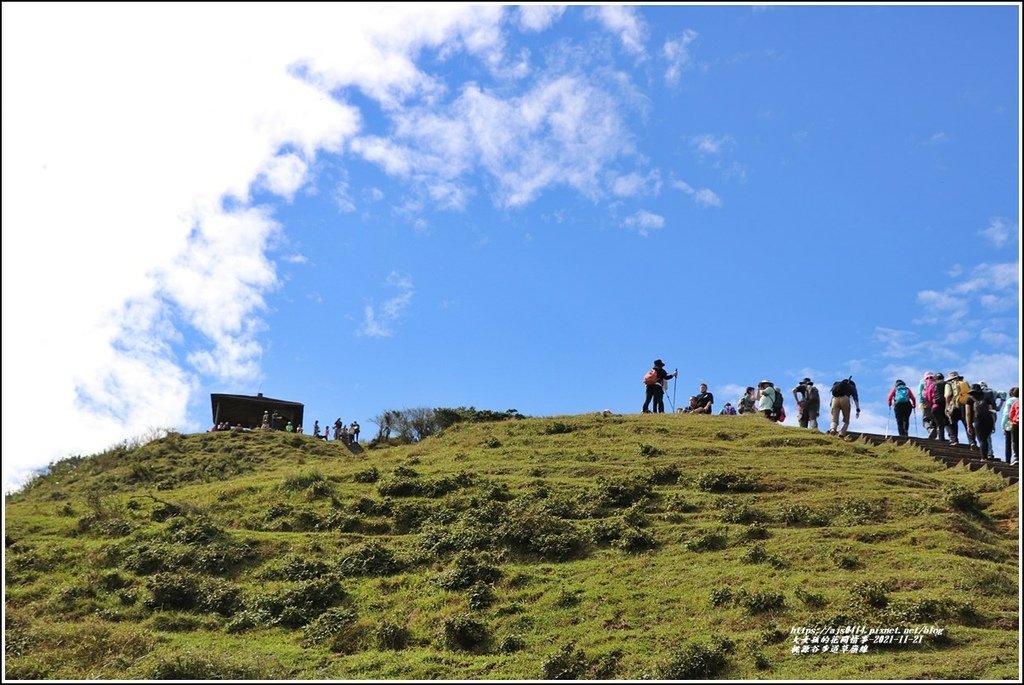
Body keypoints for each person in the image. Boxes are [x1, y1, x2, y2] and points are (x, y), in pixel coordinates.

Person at [944, 371, 972, 448]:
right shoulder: (964, 383)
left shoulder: (949, 384)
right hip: (966, 405)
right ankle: (972, 442)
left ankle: (954, 440)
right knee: (967, 424)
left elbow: (948, 395)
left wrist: (947, 406)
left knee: (952, 424)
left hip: (955, 406)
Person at [968, 384, 995, 460]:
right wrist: (993, 424)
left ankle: (983, 458)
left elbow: (968, 414)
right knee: (985, 439)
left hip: (978, 421)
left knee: (981, 440)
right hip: (989, 420)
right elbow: (991, 411)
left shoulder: (970, 399)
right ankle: (986, 456)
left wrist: (969, 425)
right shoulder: (987, 397)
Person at [1002, 387, 1019, 464]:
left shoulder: (1010, 400)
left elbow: (1006, 414)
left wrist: (1003, 425)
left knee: (1008, 442)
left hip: (1011, 422)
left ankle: (1008, 461)